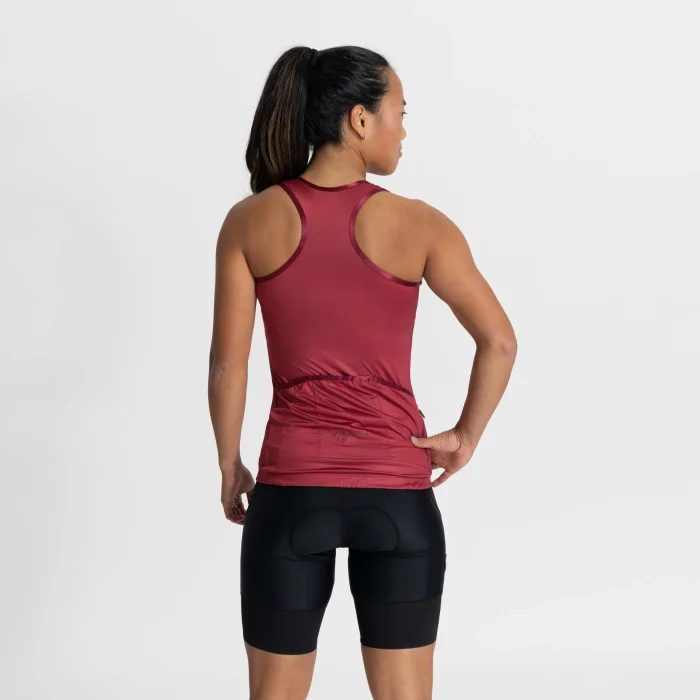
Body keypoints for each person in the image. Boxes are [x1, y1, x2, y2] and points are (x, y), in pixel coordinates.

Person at [208, 44, 517, 700]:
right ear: (359, 119)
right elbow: (499, 341)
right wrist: (464, 437)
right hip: (398, 497)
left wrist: (230, 464)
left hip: (290, 494)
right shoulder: (420, 224)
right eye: (399, 112)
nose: (403, 129)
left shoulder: (250, 221)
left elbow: (229, 362)